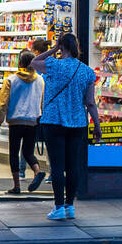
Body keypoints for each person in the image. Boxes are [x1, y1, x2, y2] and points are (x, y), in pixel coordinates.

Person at [31, 33, 103, 220]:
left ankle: (58, 207)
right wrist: (97, 125)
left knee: (57, 166)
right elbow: (90, 103)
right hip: (78, 123)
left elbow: (34, 62)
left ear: (61, 47)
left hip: (54, 122)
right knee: (73, 166)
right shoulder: (87, 71)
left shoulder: (54, 65)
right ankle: (70, 205)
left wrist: (54, 49)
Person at [0, 49, 46, 195]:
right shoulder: (41, 80)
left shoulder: (10, 80)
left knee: (14, 153)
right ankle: (37, 171)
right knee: (28, 152)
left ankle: (16, 186)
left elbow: (2, 104)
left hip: (16, 122)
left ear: (20, 63)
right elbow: (42, 102)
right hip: (33, 122)